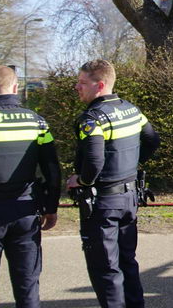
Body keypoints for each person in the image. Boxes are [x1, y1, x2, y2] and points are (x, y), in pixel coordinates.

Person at [66, 59, 160, 308]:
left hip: (104, 203)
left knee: (106, 268)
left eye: (82, 82)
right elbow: (152, 141)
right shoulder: (132, 110)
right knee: (127, 261)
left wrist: (80, 180)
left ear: (99, 85)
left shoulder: (92, 119)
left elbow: (94, 161)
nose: (77, 87)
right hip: (129, 198)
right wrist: (129, 166)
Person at [0, 65, 61, 308]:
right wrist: (51, 208)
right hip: (26, 211)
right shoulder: (37, 122)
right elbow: (52, 169)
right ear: (15, 88)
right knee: (28, 288)